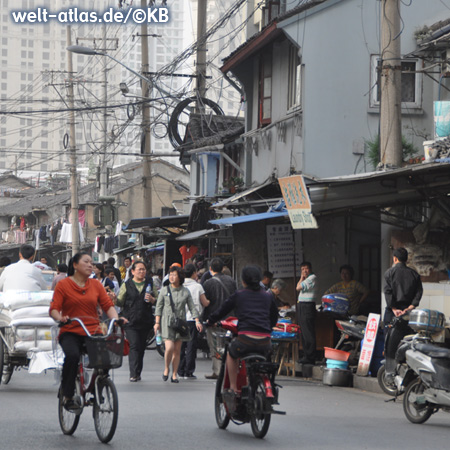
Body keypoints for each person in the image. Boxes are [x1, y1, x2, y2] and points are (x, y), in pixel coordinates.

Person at [49, 252, 124, 410]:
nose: (90, 265)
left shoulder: (96, 284)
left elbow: (107, 305)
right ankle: (68, 395)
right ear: (75, 265)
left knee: (105, 359)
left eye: (92, 262)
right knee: (73, 356)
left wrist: (115, 318)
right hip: (70, 330)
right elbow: (54, 309)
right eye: (86, 262)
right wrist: (60, 318)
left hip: (92, 330)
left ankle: (100, 384)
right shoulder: (64, 285)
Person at [207, 265, 278, 394]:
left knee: (231, 353)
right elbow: (274, 318)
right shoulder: (268, 296)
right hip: (265, 342)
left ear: (243, 281)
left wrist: (210, 321)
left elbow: (222, 310)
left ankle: (233, 388)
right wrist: (267, 329)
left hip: (245, 340)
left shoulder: (239, 295)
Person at [154, 265, 202, 383]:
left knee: (177, 350)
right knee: (169, 347)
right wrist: (157, 322)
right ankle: (166, 368)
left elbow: (192, 307)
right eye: (170, 275)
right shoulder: (164, 290)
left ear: (180, 277)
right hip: (166, 323)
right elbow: (159, 307)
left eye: (174, 275)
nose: (171, 277)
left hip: (180, 323)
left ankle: (174, 374)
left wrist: (196, 320)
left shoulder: (185, 291)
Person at [383, 247, 423, 379]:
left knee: (390, 341)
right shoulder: (414, 274)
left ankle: (390, 372)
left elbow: (388, 292)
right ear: (406, 259)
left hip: (393, 312)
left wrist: (394, 309)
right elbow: (418, 293)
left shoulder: (389, 273)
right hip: (408, 314)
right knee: (407, 342)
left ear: (395, 259)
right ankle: (406, 370)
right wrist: (410, 307)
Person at [116, 261, 155, 382]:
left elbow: (158, 299)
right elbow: (119, 302)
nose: (142, 271)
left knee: (142, 347)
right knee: (134, 345)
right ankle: (133, 373)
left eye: (144, 269)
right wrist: (113, 299)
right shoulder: (127, 285)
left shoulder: (149, 283)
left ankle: (138, 372)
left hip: (145, 320)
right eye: (139, 269)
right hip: (130, 320)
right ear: (132, 271)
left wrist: (153, 299)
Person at [203, 257, 237, 379]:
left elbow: (205, 302)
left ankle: (217, 371)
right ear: (223, 268)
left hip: (214, 319)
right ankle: (230, 370)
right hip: (230, 320)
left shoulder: (208, 283)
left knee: (215, 345)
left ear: (210, 269)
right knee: (229, 345)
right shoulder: (231, 281)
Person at [178, 263, 210, 380]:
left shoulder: (179, 285)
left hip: (180, 319)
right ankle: (189, 370)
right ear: (193, 273)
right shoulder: (198, 287)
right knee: (191, 345)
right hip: (193, 320)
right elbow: (205, 302)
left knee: (181, 345)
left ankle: (180, 369)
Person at [296, 261, 318, 365]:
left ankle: (310, 357)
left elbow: (298, 288)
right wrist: (301, 278)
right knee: (304, 332)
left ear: (310, 269)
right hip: (302, 305)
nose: (304, 271)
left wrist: (302, 279)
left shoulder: (312, 277)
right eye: (302, 269)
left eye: (306, 268)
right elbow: (298, 286)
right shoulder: (305, 279)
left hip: (307, 306)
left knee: (308, 332)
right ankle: (306, 356)